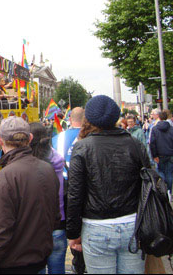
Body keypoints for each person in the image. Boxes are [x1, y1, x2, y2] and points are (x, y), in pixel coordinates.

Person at [66, 95, 150, 274]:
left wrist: (73, 233)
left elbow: (75, 193)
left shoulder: (82, 148)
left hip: (97, 227)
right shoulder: (134, 144)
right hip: (133, 224)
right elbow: (148, 185)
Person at [0, 116, 60, 274]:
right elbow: (55, 218)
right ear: (29, 138)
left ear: (0, 139)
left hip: (13, 264)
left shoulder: (3, 179)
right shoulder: (47, 169)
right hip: (39, 260)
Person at [51, 106, 86, 274]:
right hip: (85, 187)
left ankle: (75, 259)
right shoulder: (90, 136)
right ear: (85, 120)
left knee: (67, 227)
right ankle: (81, 260)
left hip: (64, 187)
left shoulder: (58, 138)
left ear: (70, 119)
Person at [30, 122, 67, 274]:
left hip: (35, 226)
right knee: (58, 269)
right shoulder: (57, 159)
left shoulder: (29, 163)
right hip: (58, 223)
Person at [150, 110, 173, 196]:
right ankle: (169, 191)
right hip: (170, 153)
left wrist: (154, 155)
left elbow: (152, 143)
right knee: (169, 173)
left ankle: (163, 189)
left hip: (160, 154)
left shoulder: (155, 129)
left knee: (160, 171)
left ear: (159, 117)